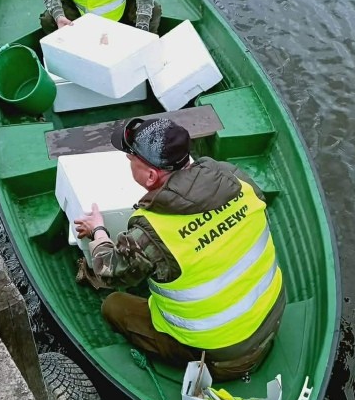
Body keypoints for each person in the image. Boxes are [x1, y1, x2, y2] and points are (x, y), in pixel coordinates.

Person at [74, 117, 286, 381]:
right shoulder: (235, 178)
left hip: (224, 356)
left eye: (131, 162)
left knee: (114, 306)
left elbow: (107, 270)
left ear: (150, 175)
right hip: (273, 318)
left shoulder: (151, 234)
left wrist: (98, 231)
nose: (129, 166)